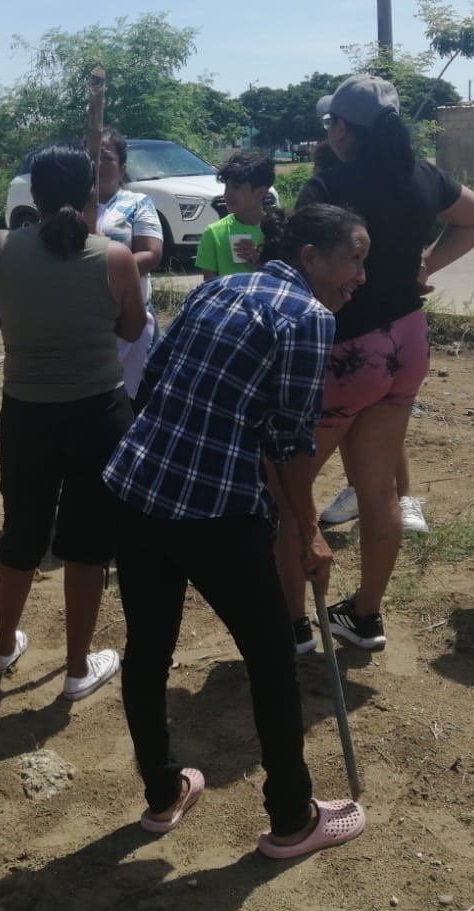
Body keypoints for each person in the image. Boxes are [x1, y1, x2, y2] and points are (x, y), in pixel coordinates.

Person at [104, 203, 371, 859]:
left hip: (137, 485)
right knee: (272, 659)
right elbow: (287, 442)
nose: (361, 277)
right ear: (310, 257)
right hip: (216, 509)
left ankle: (163, 793)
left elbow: (154, 377)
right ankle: (292, 821)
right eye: (355, 259)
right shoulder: (309, 317)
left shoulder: (220, 288)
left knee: (148, 649)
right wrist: (308, 532)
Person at [285, 75, 474, 655]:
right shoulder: (423, 174)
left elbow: (304, 267)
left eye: (331, 122)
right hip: (407, 341)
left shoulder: (329, 185)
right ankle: (366, 616)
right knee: (379, 491)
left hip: (347, 350)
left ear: (343, 129)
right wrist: (425, 264)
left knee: (287, 491)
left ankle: (291, 625)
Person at [0, 145, 147, 701]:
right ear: (89, 193)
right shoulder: (115, 257)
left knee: (22, 532)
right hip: (99, 414)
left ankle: (2, 647)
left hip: (26, 414)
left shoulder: (1, 250)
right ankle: (75, 669)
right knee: (88, 544)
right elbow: (132, 331)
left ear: (34, 195)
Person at [94, 128, 164, 398]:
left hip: (130, 317)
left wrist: (105, 274)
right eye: (91, 156)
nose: (98, 164)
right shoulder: (71, 206)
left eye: (107, 158)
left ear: (122, 167)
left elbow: (151, 254)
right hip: (86, 322)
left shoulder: (137, 203)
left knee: (137, 399)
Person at [195, 149, 274, 281]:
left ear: (260, 192)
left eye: (236, 187)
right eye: (227, 186)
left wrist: (259, 260)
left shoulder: (279, 232)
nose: (227, 194)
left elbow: (289, 282)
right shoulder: (214, 233)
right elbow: (209, 286)